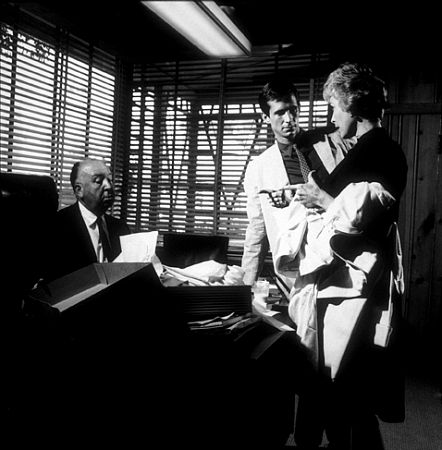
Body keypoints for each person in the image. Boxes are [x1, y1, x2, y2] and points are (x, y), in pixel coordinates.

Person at [274, 62, 408, 449]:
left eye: (334, 107)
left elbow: (366, 218)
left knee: (345, 390)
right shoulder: (369, 149)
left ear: (354, 104)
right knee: (341, 391)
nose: (332, 117)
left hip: (355, 287)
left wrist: (321, 198)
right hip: (343, 283)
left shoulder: (381, 151)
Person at [241, 77, 354, 292]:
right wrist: (245, 288)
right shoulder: (259, 168)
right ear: (266, 117)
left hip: (341, 257)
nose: (289, 118)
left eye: (293, 110)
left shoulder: (331, 141)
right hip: (298, 270)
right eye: (280, 112)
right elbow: (257, 230)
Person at [44, 157, 131, 281]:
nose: (108, 186)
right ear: (79, 190)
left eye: (110, 180)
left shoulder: (121, 228)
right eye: (98, 181)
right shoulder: (56, 227)